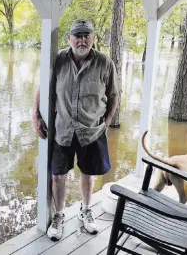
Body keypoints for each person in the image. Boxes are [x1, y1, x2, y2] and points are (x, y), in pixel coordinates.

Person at [32, 19, 119, 241]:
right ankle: (59, 216)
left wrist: (107, 121)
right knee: (58, 175)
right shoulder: (58, 59)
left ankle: (86, 210)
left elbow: (114, 95)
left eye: (86, 35)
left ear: (93, 37)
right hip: (62, 129)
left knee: (88, 175)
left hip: (92, 130)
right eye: (77, 36)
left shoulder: (105, 62)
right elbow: (42, 87)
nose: (81, 40)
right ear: (70, 38)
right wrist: (35, 115)